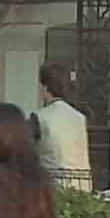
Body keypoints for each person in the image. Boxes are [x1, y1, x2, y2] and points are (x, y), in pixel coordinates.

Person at [31, 62, 91, 192]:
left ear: (45, 88)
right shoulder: (79, 118)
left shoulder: (39, 117)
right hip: (82, 187)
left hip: (53, 188)